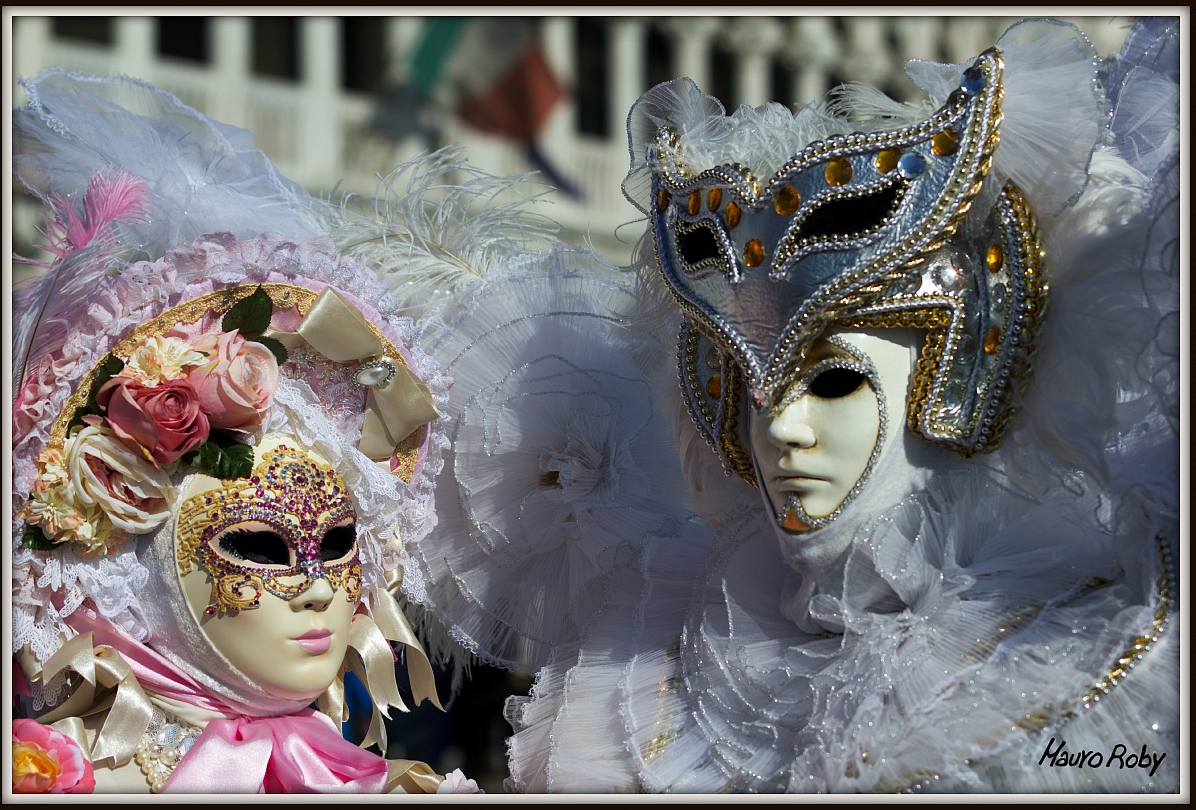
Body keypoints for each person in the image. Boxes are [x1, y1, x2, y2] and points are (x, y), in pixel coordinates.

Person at [403, 18, 1180, 793]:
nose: (781, 428)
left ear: (948, 381)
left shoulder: (1067, 650)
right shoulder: (660, 671)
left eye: (835, 381)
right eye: (750, 390)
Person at [8, 71, 527, 794]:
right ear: (134, 557)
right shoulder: (51, 778)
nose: (317, 588)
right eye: (258, 545)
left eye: (341, 543)